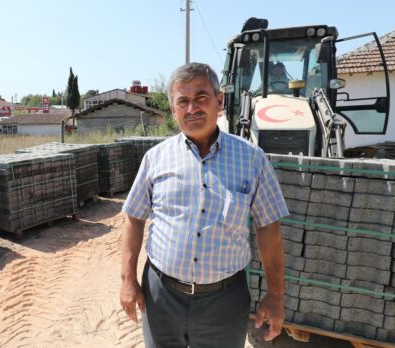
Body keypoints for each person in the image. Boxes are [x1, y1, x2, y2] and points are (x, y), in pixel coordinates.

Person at [119, 62, 289, 347]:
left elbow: (269, 229)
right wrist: (127, 279)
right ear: (173, 110)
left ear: (219, 101)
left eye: (201, 98)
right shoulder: (156, 159)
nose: (192, 108)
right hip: (161, 297)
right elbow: (133, 219)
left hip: (224, 302)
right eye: (182, 101)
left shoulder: (252, 160)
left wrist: (276, 295)